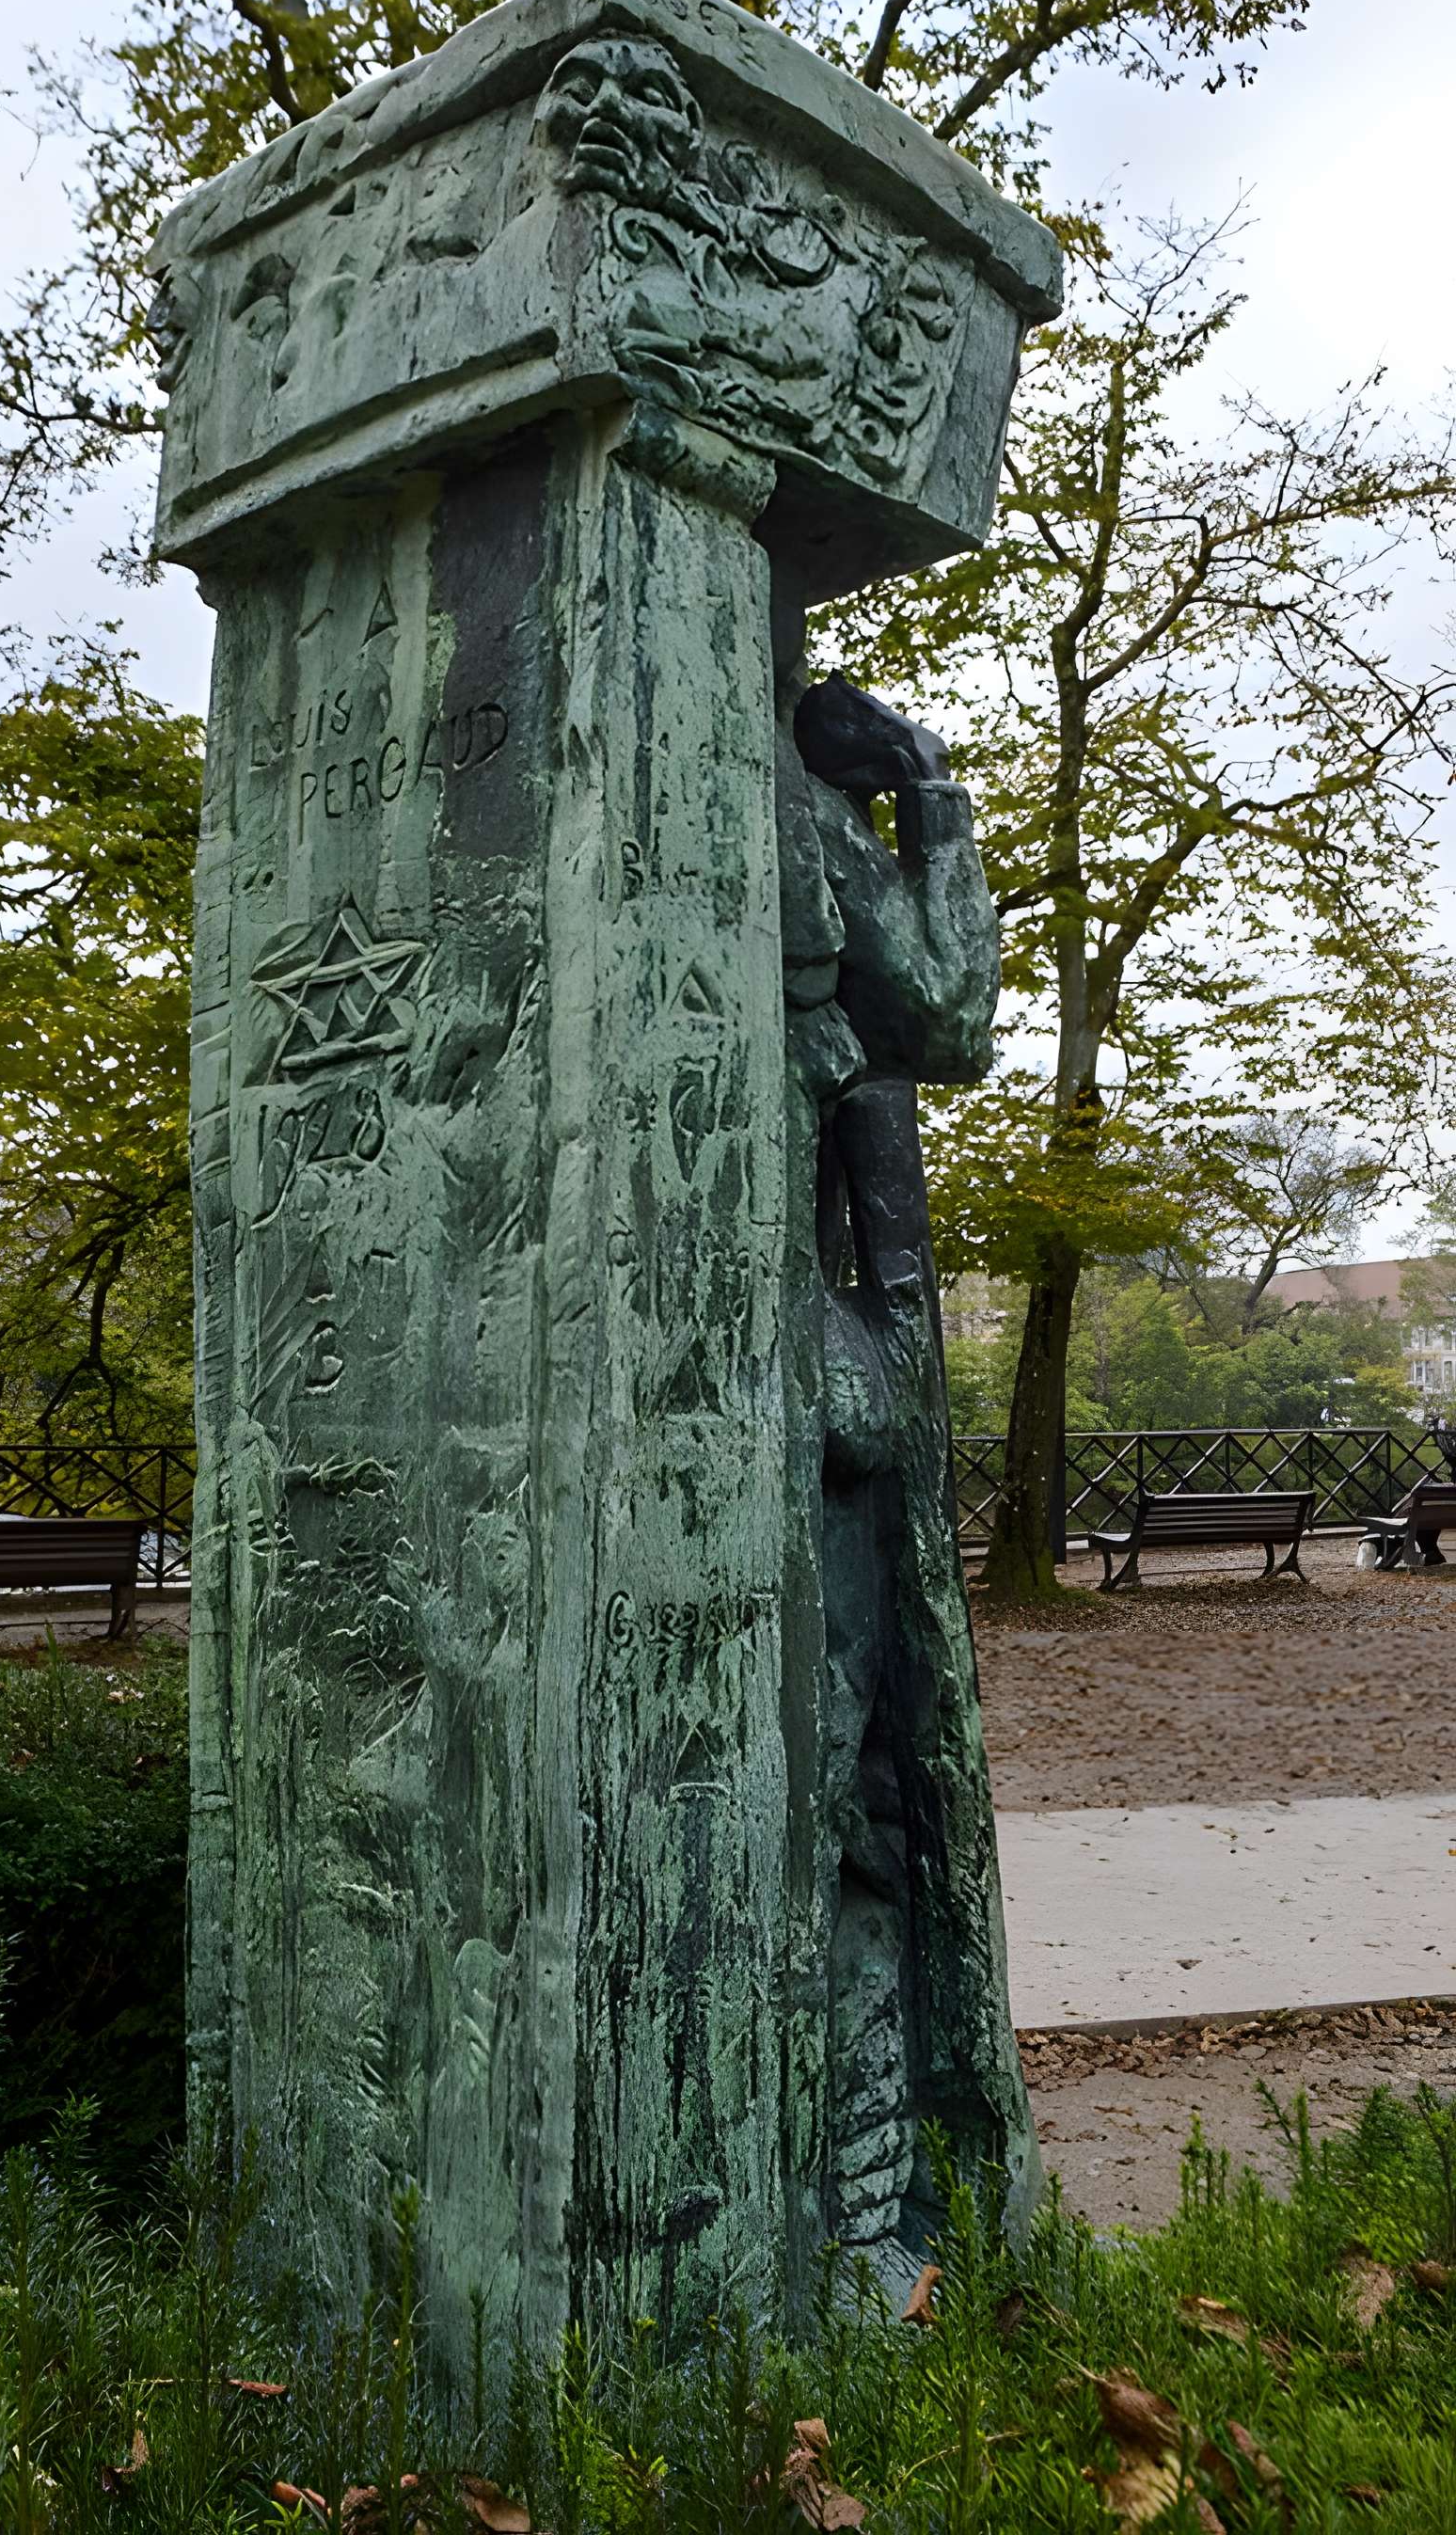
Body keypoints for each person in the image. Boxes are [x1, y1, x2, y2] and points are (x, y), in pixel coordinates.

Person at [774, 648, 1036, 2276]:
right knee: (850, 1801)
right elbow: (946, 1010)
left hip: (773, 1360)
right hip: (790, 1367)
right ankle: (856, 2235)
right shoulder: (794, 816)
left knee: (835, 1795)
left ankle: (852, 2218)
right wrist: (925, 787)